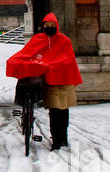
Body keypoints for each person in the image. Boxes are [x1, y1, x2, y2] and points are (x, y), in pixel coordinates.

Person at [6, 12, 83, 149]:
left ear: (56, 26)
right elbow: (27, 53)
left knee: (63, 111)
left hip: (64, 80)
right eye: (47, 25)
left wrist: (51, 64)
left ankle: (63, 137)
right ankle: (56, 140)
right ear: (43, 26)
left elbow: (68, 59)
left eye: (52, 25)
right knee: (54, 110)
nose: (49, 27)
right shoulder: (38, 39)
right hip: (50, 81)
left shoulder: (64, 41)